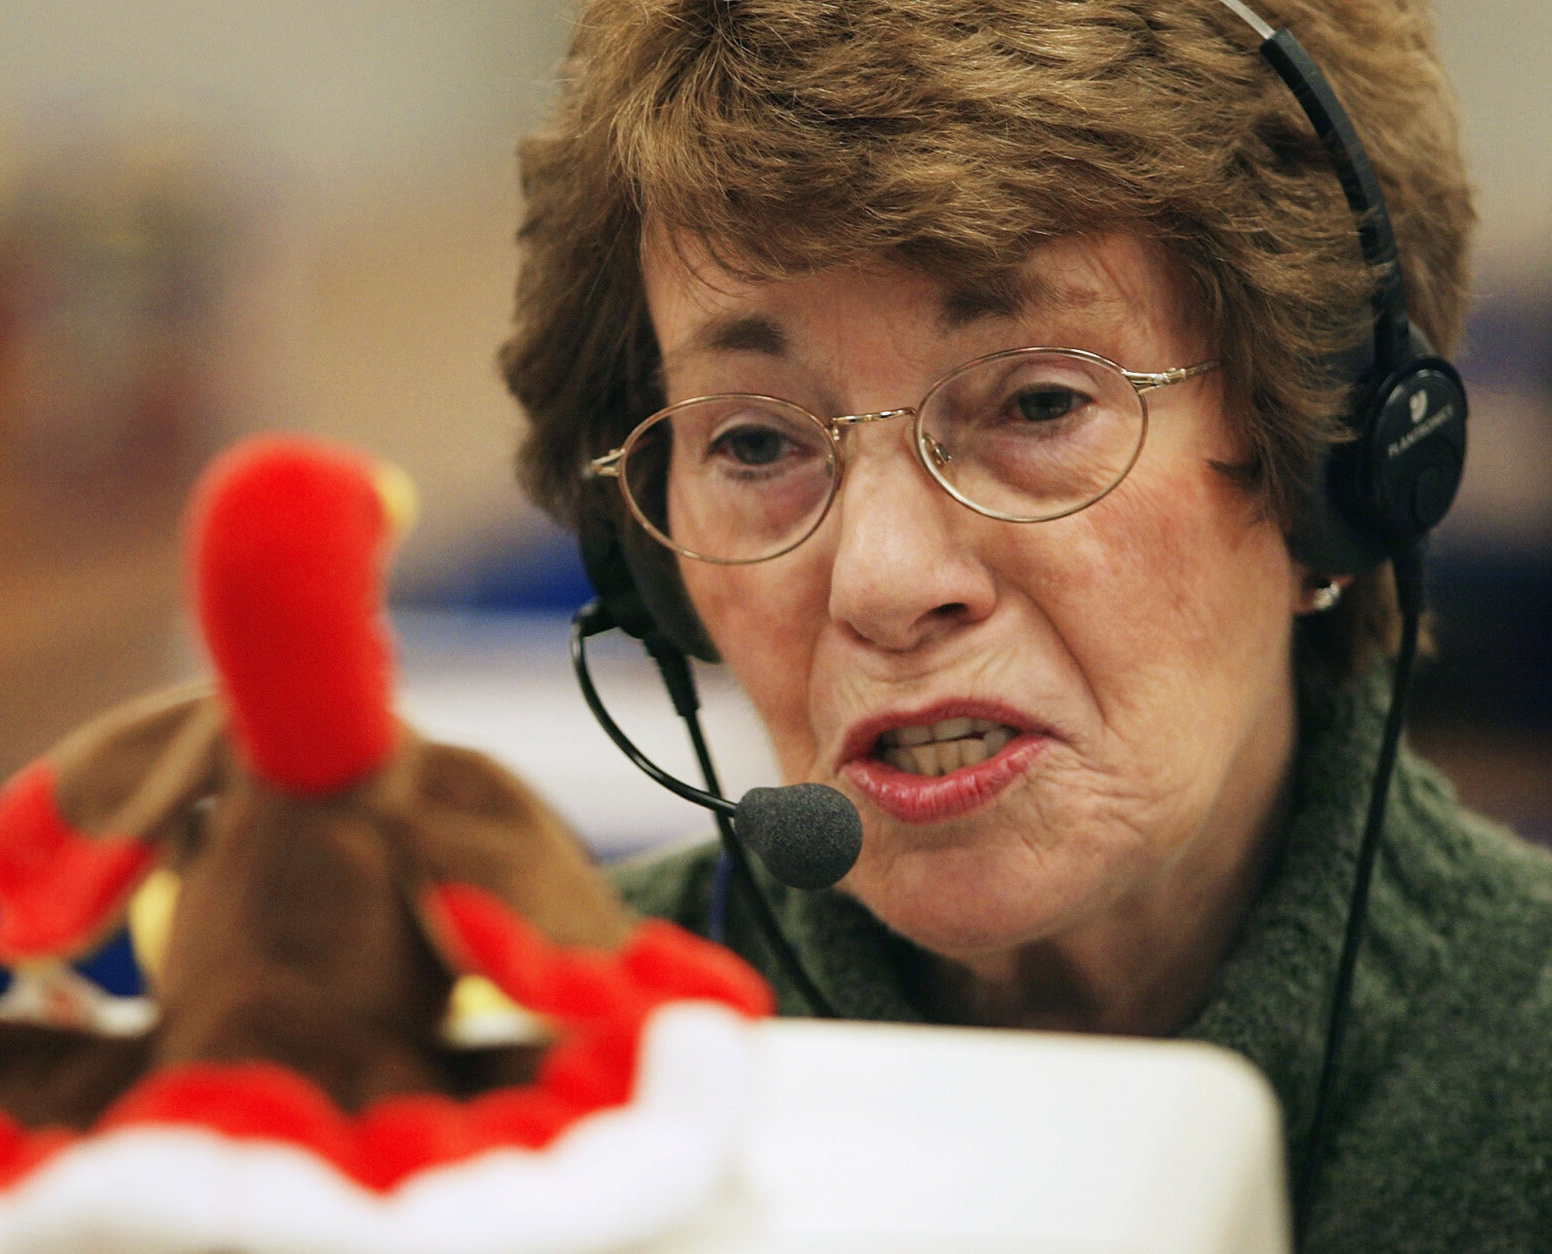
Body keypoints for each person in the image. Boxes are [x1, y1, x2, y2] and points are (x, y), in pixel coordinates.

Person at [499, 1, 1552, 1249]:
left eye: (1040, 404)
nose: (883, 584)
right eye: (756, 443)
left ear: (1331, 463)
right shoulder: (509, 1081)